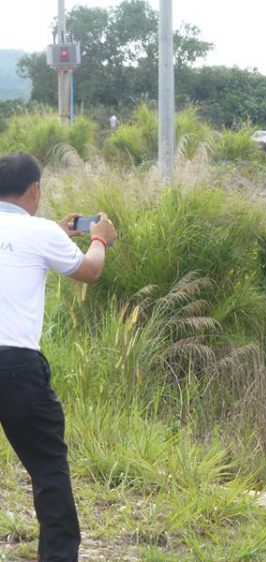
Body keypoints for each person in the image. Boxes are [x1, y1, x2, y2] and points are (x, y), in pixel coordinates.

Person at [0, 152, 118, 561]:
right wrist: (100, 238)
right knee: (48, 467)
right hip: (17, 368)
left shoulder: (44, 232)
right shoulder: (41, 232)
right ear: (34, 189)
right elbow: (88, 270)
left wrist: (55, 234)